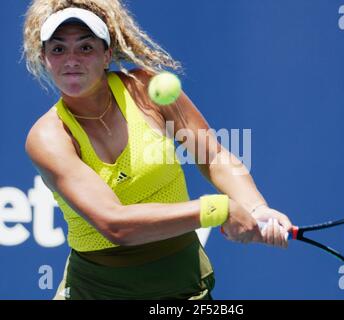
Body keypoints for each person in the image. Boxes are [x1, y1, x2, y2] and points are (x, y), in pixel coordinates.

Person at [23, 0, 292, 300]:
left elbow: (212, 156)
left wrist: (256, 208)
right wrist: (217, 209)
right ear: (45, 58)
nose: (71, 59)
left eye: (85, 47)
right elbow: (115, 224)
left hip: (182, 283)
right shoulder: (48, 136)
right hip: (94, 291)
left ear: (106, 54)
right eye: (58, 49)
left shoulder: (146, 90)